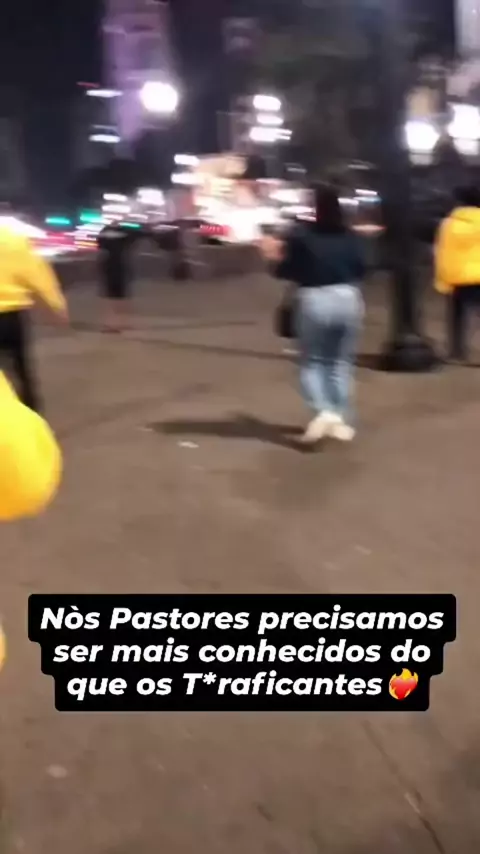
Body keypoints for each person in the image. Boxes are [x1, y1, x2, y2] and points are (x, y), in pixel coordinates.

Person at [263, 185, 365, 444]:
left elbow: (285, 271)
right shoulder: (351, 236)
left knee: (313, 361)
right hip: (348, 297)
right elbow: (363, 268)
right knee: (340, 362)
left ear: (315, 209)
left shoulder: (302, 237)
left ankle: (323, 412)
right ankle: (338, 415)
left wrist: (271, 257)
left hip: (314, 299)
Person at [0, 223, 68, 412]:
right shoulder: (12, 240)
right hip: (11, 316)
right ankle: (33, 414)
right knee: (21, 369)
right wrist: (57, 305)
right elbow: (38, 274)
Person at [434, 186, 480, 362]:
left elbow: (443, 253)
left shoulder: (449, 224)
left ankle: (457, 351)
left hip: (459, 277)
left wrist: (442, 280)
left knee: (457, 316)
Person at [97, 221, 137, 332]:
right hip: (121, 266)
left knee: (110, 297)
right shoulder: (125, 235)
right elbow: (132, 240)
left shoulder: (103, 234)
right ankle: (122, 322)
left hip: (108, 266)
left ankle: (110, 323)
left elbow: (100, 245)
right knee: (121, 297)